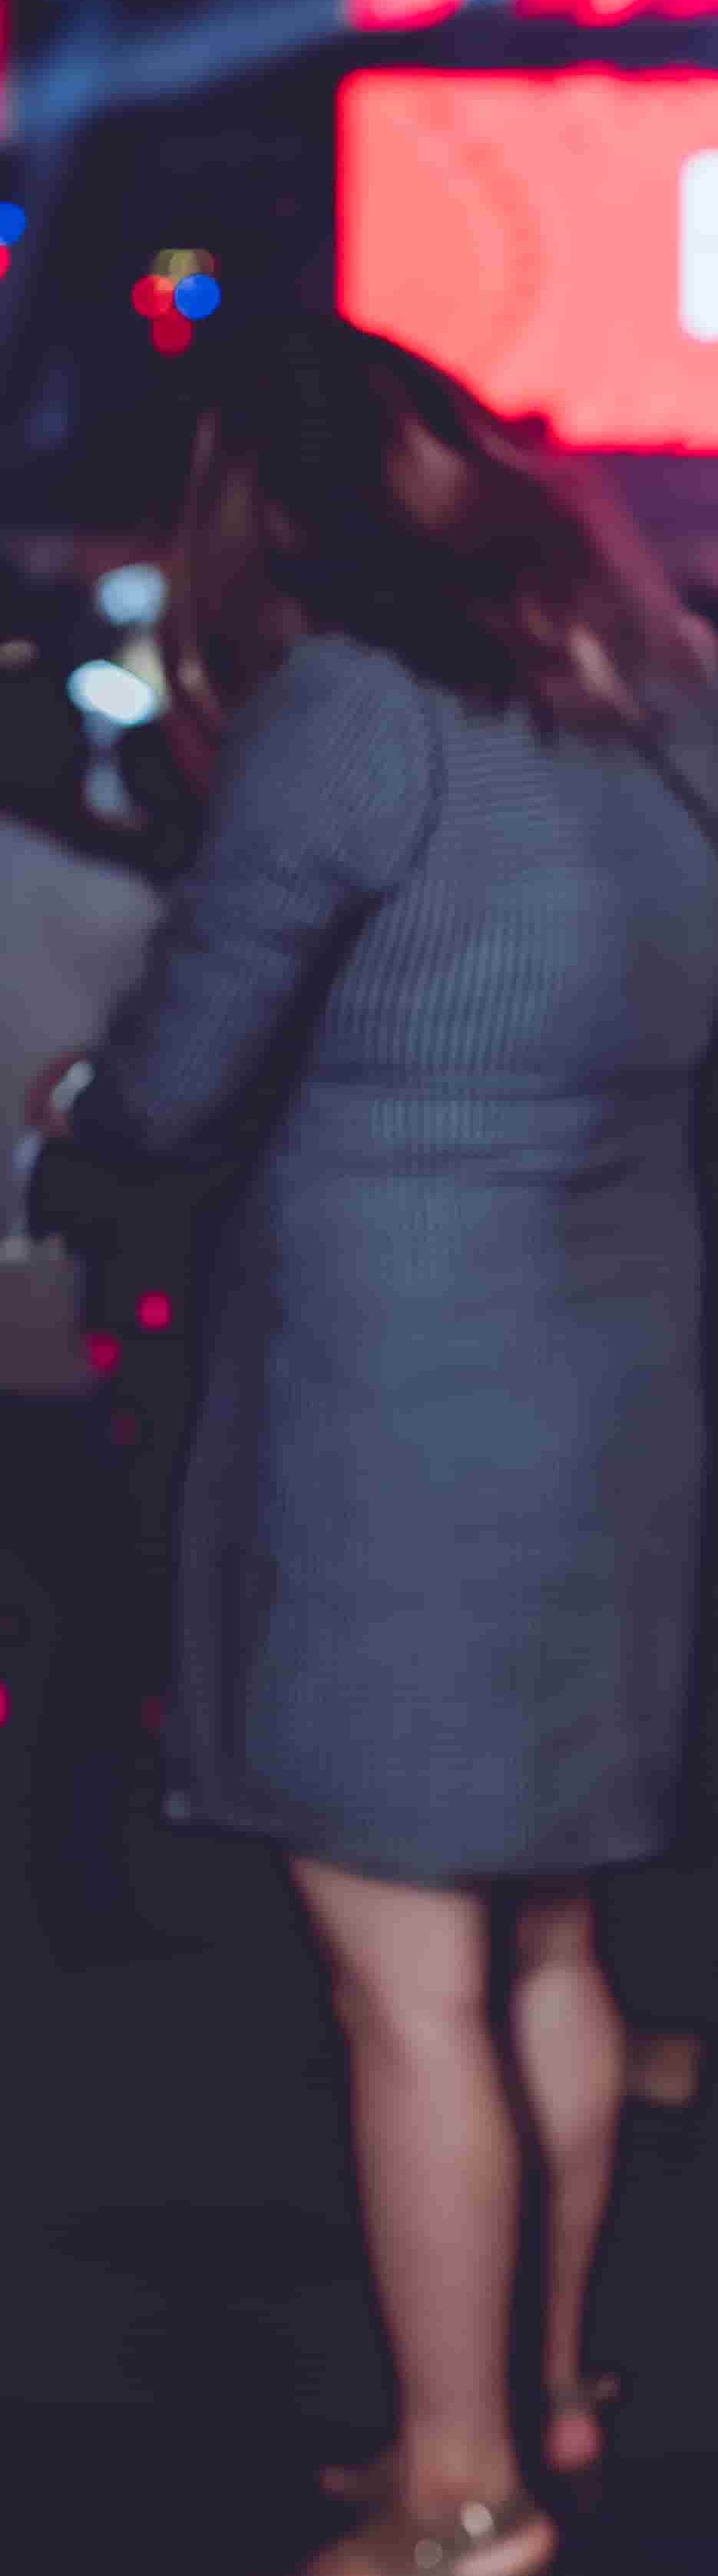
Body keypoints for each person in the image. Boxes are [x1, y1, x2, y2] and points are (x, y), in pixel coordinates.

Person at [33, 319, 718, 2576]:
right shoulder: (660, 691)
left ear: (275, 509)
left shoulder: (350, 704)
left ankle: (457, 2495)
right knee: (545, 1944)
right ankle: (542, 2403)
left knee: (403, 1986)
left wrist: (65, 1112)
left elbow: (177, 1082)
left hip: (401, 1409)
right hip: (617, 1382)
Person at [0, 626, 166, 1968]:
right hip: (39, 1307)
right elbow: (156, 1117)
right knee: (91, 1620)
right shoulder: (110, 907)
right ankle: (77, 1891)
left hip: (42, 1305)